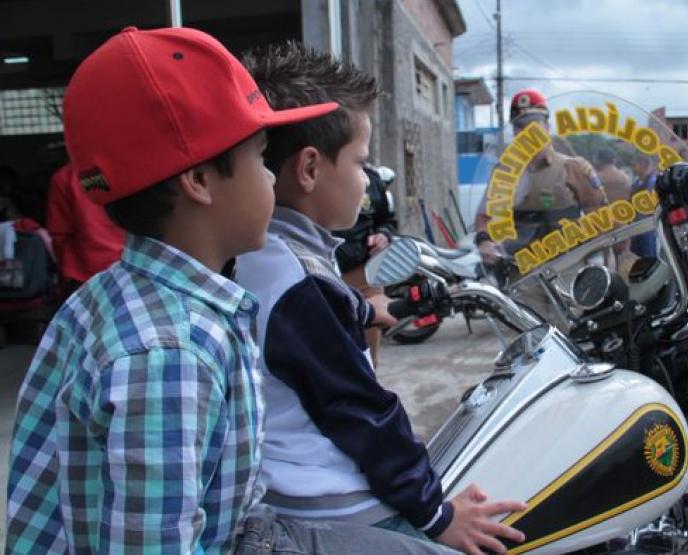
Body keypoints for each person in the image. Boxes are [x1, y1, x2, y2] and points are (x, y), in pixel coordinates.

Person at [4, 26, 341, 553]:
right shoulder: (169, 352)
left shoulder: (109, 297)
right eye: (260, 157)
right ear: (200, 182)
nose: (274, 180)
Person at [238, 41, 526, 554]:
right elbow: (365, 414)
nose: (368, 181)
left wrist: (379, 308)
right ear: (309, 169)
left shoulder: (262, 254)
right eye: (360, 163)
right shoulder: (296, 282)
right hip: (332, 504)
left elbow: (317, 327)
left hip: (292, 491)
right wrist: (437, 516)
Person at [474, 89, 605, 263]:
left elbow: (600, 216)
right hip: (517, 271)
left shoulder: (572, 167)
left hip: (566, 270)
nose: (527, 131)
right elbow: (484, 217)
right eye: (520, 125)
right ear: (514, 132)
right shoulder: (503, 172)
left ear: (546, 127)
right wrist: (484, 242)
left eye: (534, 123)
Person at [334, 164, 397, 365]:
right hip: (326, 272)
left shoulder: (372, 180)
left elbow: (387, 220)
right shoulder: (322, 176)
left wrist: (384, 235)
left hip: (364, 273)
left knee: (368, 357)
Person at [46, 161, 126, 294]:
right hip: (130, 266)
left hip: (85, 275)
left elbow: (59, 233)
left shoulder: (65, 177)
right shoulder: (130, 170)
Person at [629, 154, 658, 258]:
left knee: (649, 256)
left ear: (644, 165)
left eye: (635, 164)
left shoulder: (652, 183)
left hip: (647, 227)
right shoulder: (636, 183)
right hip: (636, 226)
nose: (632, 167)